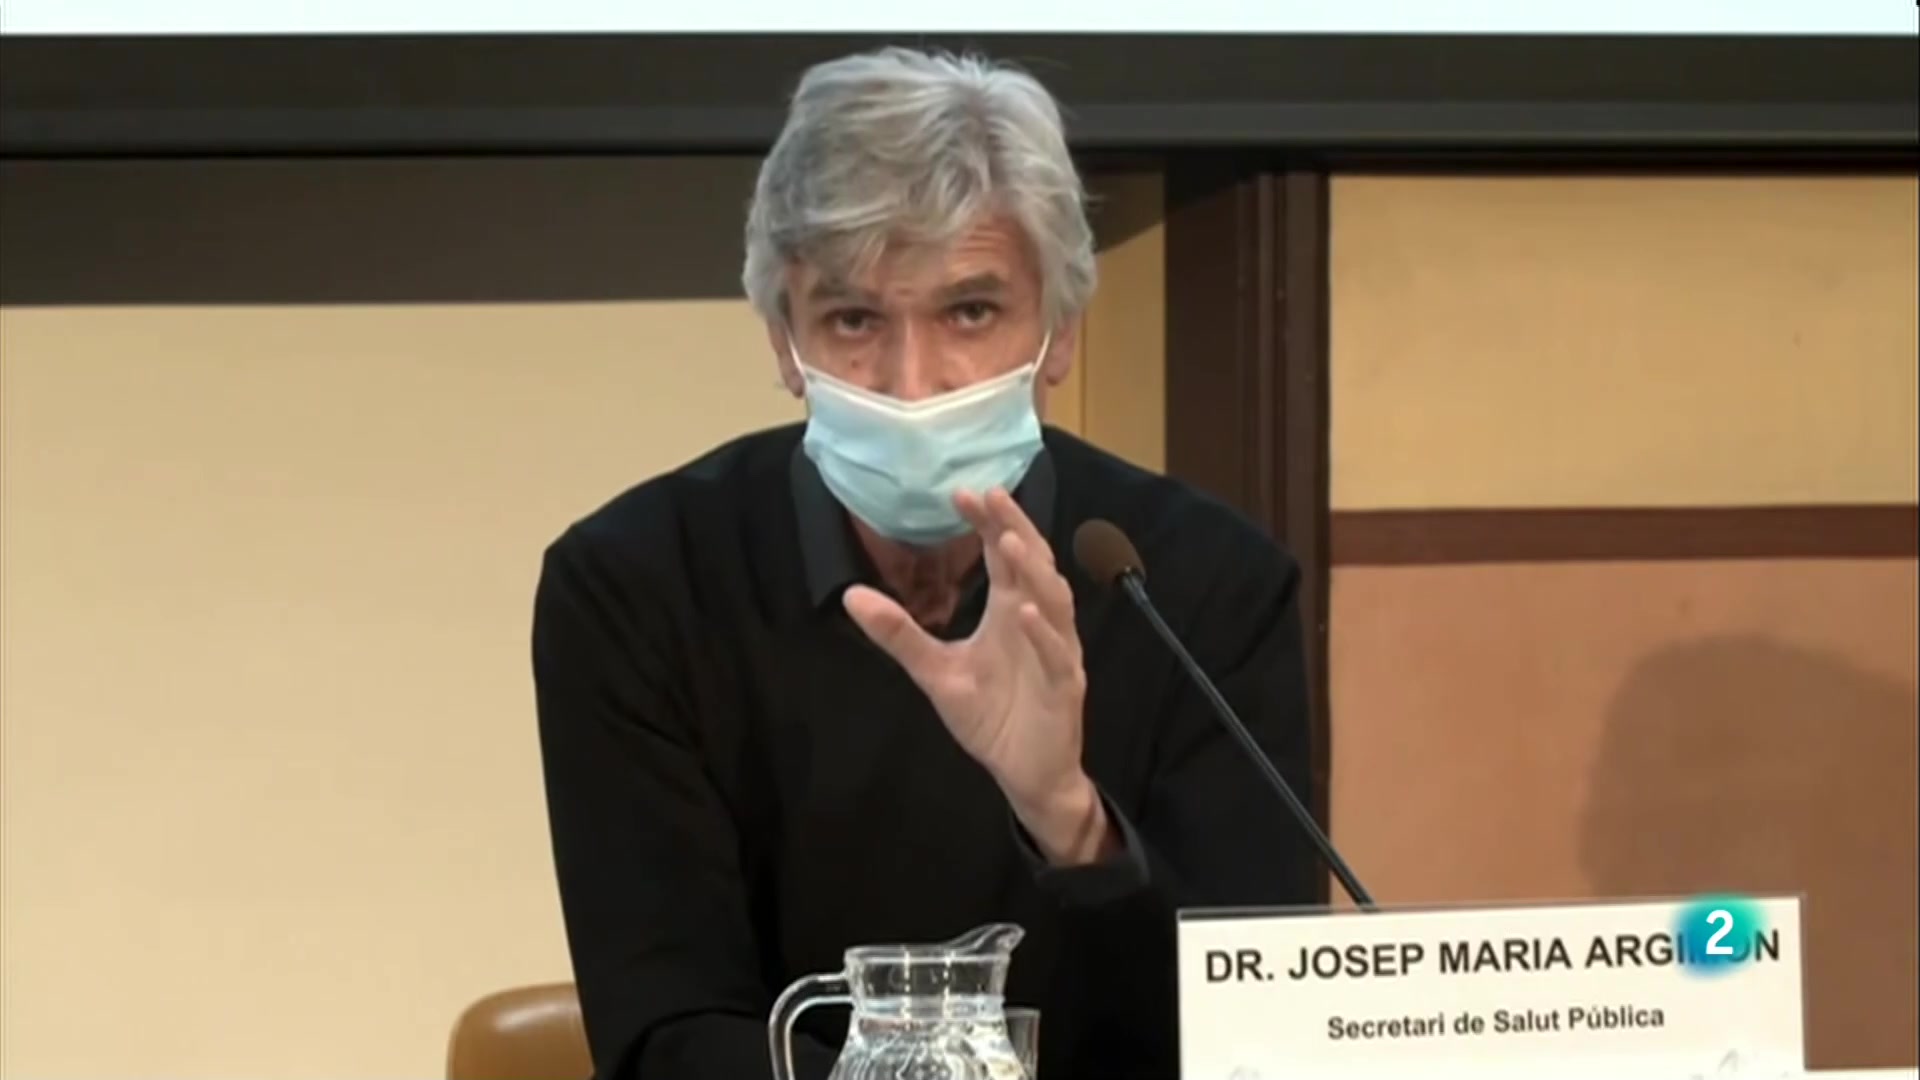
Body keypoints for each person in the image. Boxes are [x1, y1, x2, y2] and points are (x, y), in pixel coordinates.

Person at [531, 46, 1318, 1080]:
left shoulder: (1203, 588)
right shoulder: (634, 588)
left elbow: (1257, 1038)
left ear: (1061, 332)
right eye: (854, 320)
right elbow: (666, 1036)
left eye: (970, 312)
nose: (912, 382)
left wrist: (1071, 820)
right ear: (783, 342)